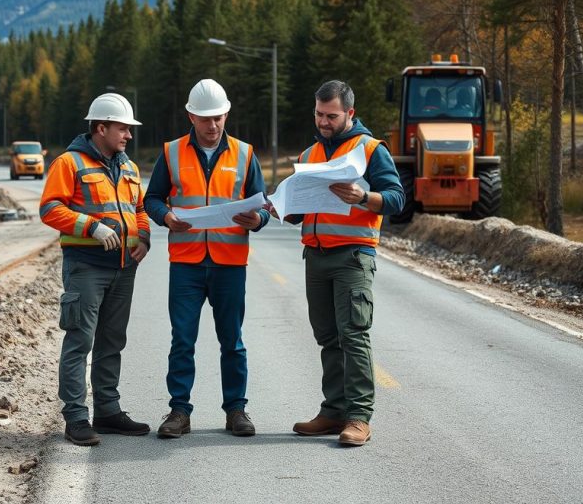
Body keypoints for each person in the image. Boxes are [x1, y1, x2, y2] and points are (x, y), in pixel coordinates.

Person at [144, 79, 270, 439]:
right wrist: (166, 217)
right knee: (183, 339)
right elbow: (152, 199)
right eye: (204, 119)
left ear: (226, 114)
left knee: (232, 339)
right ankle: (179, 412)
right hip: (186, 263)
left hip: (230, 264)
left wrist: (257, 219)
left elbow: (262, 206)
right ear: (190, 116)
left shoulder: (245, 154)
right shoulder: (171, 153)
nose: (212, 125)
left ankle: (236, 410)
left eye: (217, 118)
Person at [287, 80, 404, 446]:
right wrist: (280, 206)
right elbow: (299, 208)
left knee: (353, 335)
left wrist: (364, 196)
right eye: (319, 114)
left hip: (353, 256)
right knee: (327, 337)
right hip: (315, 256)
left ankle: (358, 418)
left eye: (331, 116)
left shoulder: (370, 149)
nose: (323, 121)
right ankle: (333, 411)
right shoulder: (308, 155)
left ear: (349, 113)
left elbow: (397, 198)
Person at [39, 93, 152, 447]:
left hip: (123, 269)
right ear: (100, 128)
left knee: (112, 342)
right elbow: (49, 209)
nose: (128, 136)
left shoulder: (130, 167)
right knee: (80, 341)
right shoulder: (69, 164)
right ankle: (76, 417)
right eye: (122, 128)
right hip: (86, 267)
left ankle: (107, 411)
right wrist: (90, 226)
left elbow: (140, 209)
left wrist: (144, 238)